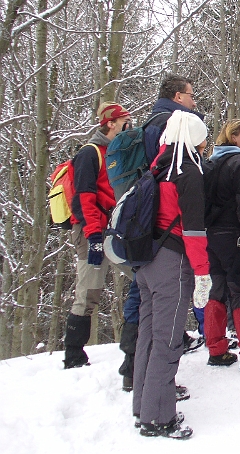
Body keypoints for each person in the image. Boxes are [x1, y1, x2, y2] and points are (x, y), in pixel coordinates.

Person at [119, 74, 204, 392]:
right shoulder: (173, 131)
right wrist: (202, 270)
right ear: (178, 96)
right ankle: (155, 399)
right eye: (191, 95)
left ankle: (140, 385)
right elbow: (190, 222)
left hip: (146, 233)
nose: (194, 101)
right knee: (161, 327)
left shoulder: (151, 125)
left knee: (147, 310)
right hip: (166, 242)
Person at [133, 111, 212, 439]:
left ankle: (143, 405)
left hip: (147, 260)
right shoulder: (188, 171)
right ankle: (158, 417)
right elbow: (193, 230)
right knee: (168, 340)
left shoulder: (158, 165)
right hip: (172, 262)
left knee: (148, 335)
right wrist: (202, 273)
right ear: (195, 138)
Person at [63, 101, 132, 369]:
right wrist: (93, 236)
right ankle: (73, 354)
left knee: (142, 275)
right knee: (89, 289)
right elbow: (84, 199)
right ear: (111, 123)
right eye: (125, 120)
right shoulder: (90, 153)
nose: (129, 124)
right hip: (91, 230)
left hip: (112, 229)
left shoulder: (115, 151)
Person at [204, 120, 240, 371]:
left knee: (217, 289)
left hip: (211, 236)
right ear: (233, 137)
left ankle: (216, 348)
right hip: (234, 236)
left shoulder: (210, 163)